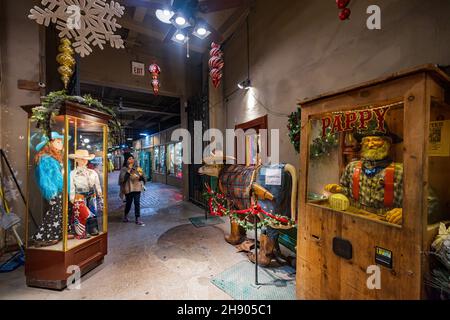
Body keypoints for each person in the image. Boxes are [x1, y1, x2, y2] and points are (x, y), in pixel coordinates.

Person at [119, 155, 146, 226]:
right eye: (129, 159)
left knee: (137, 203)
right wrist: (128, 171)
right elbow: (122, 180)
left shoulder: (138, 168)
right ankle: (125, 215)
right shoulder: (124, 169)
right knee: (129, 203)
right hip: (128, 188)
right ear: (126, 161)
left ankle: (137, 218)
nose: (131, 160)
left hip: (137, 188)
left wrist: (141, 177)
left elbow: (143, 178)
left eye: (132, 158)